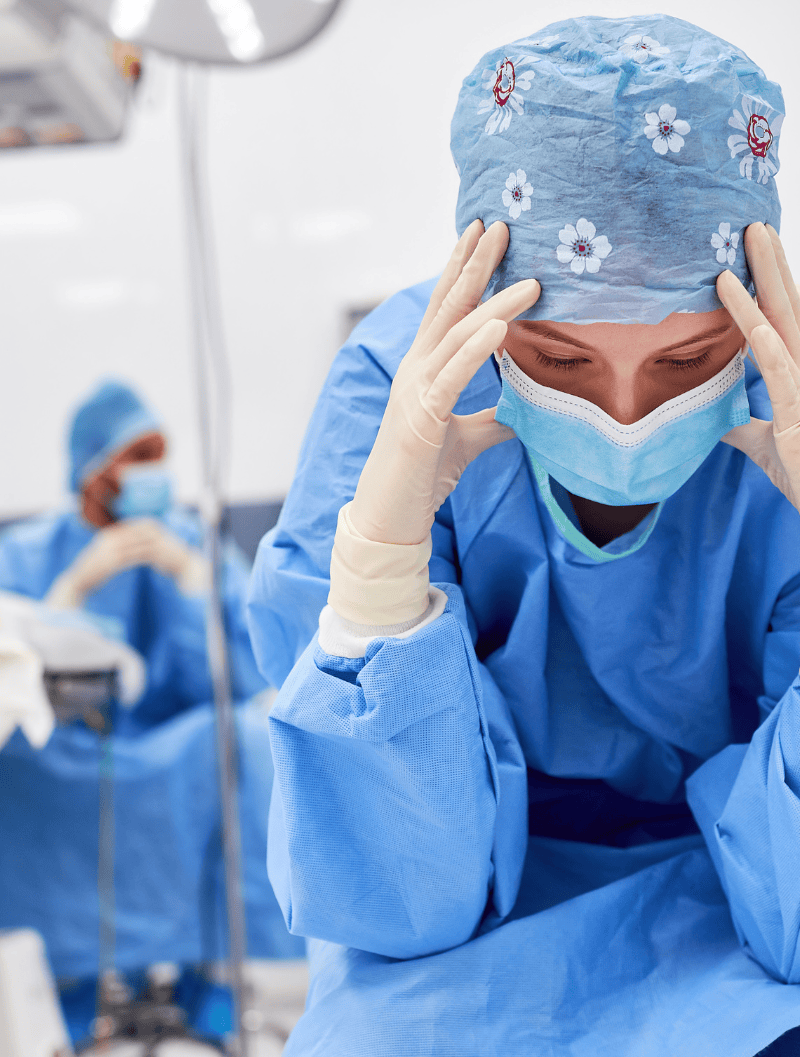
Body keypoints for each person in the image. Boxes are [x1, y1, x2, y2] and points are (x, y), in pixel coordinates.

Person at [247, 15, 800, 1057]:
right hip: (454, 926)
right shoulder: (398, 397)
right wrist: (378, 579)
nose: (626, 419)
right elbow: (399, 899)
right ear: (491, 308)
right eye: (558, 357)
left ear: (749, 319)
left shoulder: (787, 410)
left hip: (741, 899)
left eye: (686, 364)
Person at [0, 379, 303, 1042]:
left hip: (173, 745)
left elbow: (249, 671)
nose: (150, 473)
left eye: (158, 454)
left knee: (239, 738)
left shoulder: (189, 542)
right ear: (93, 471)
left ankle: (211, 979)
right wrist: (75, 585)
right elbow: (13, 667)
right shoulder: (26, 550)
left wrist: (191, 578)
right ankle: (72, 976)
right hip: (66, 756)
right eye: (135, 456)